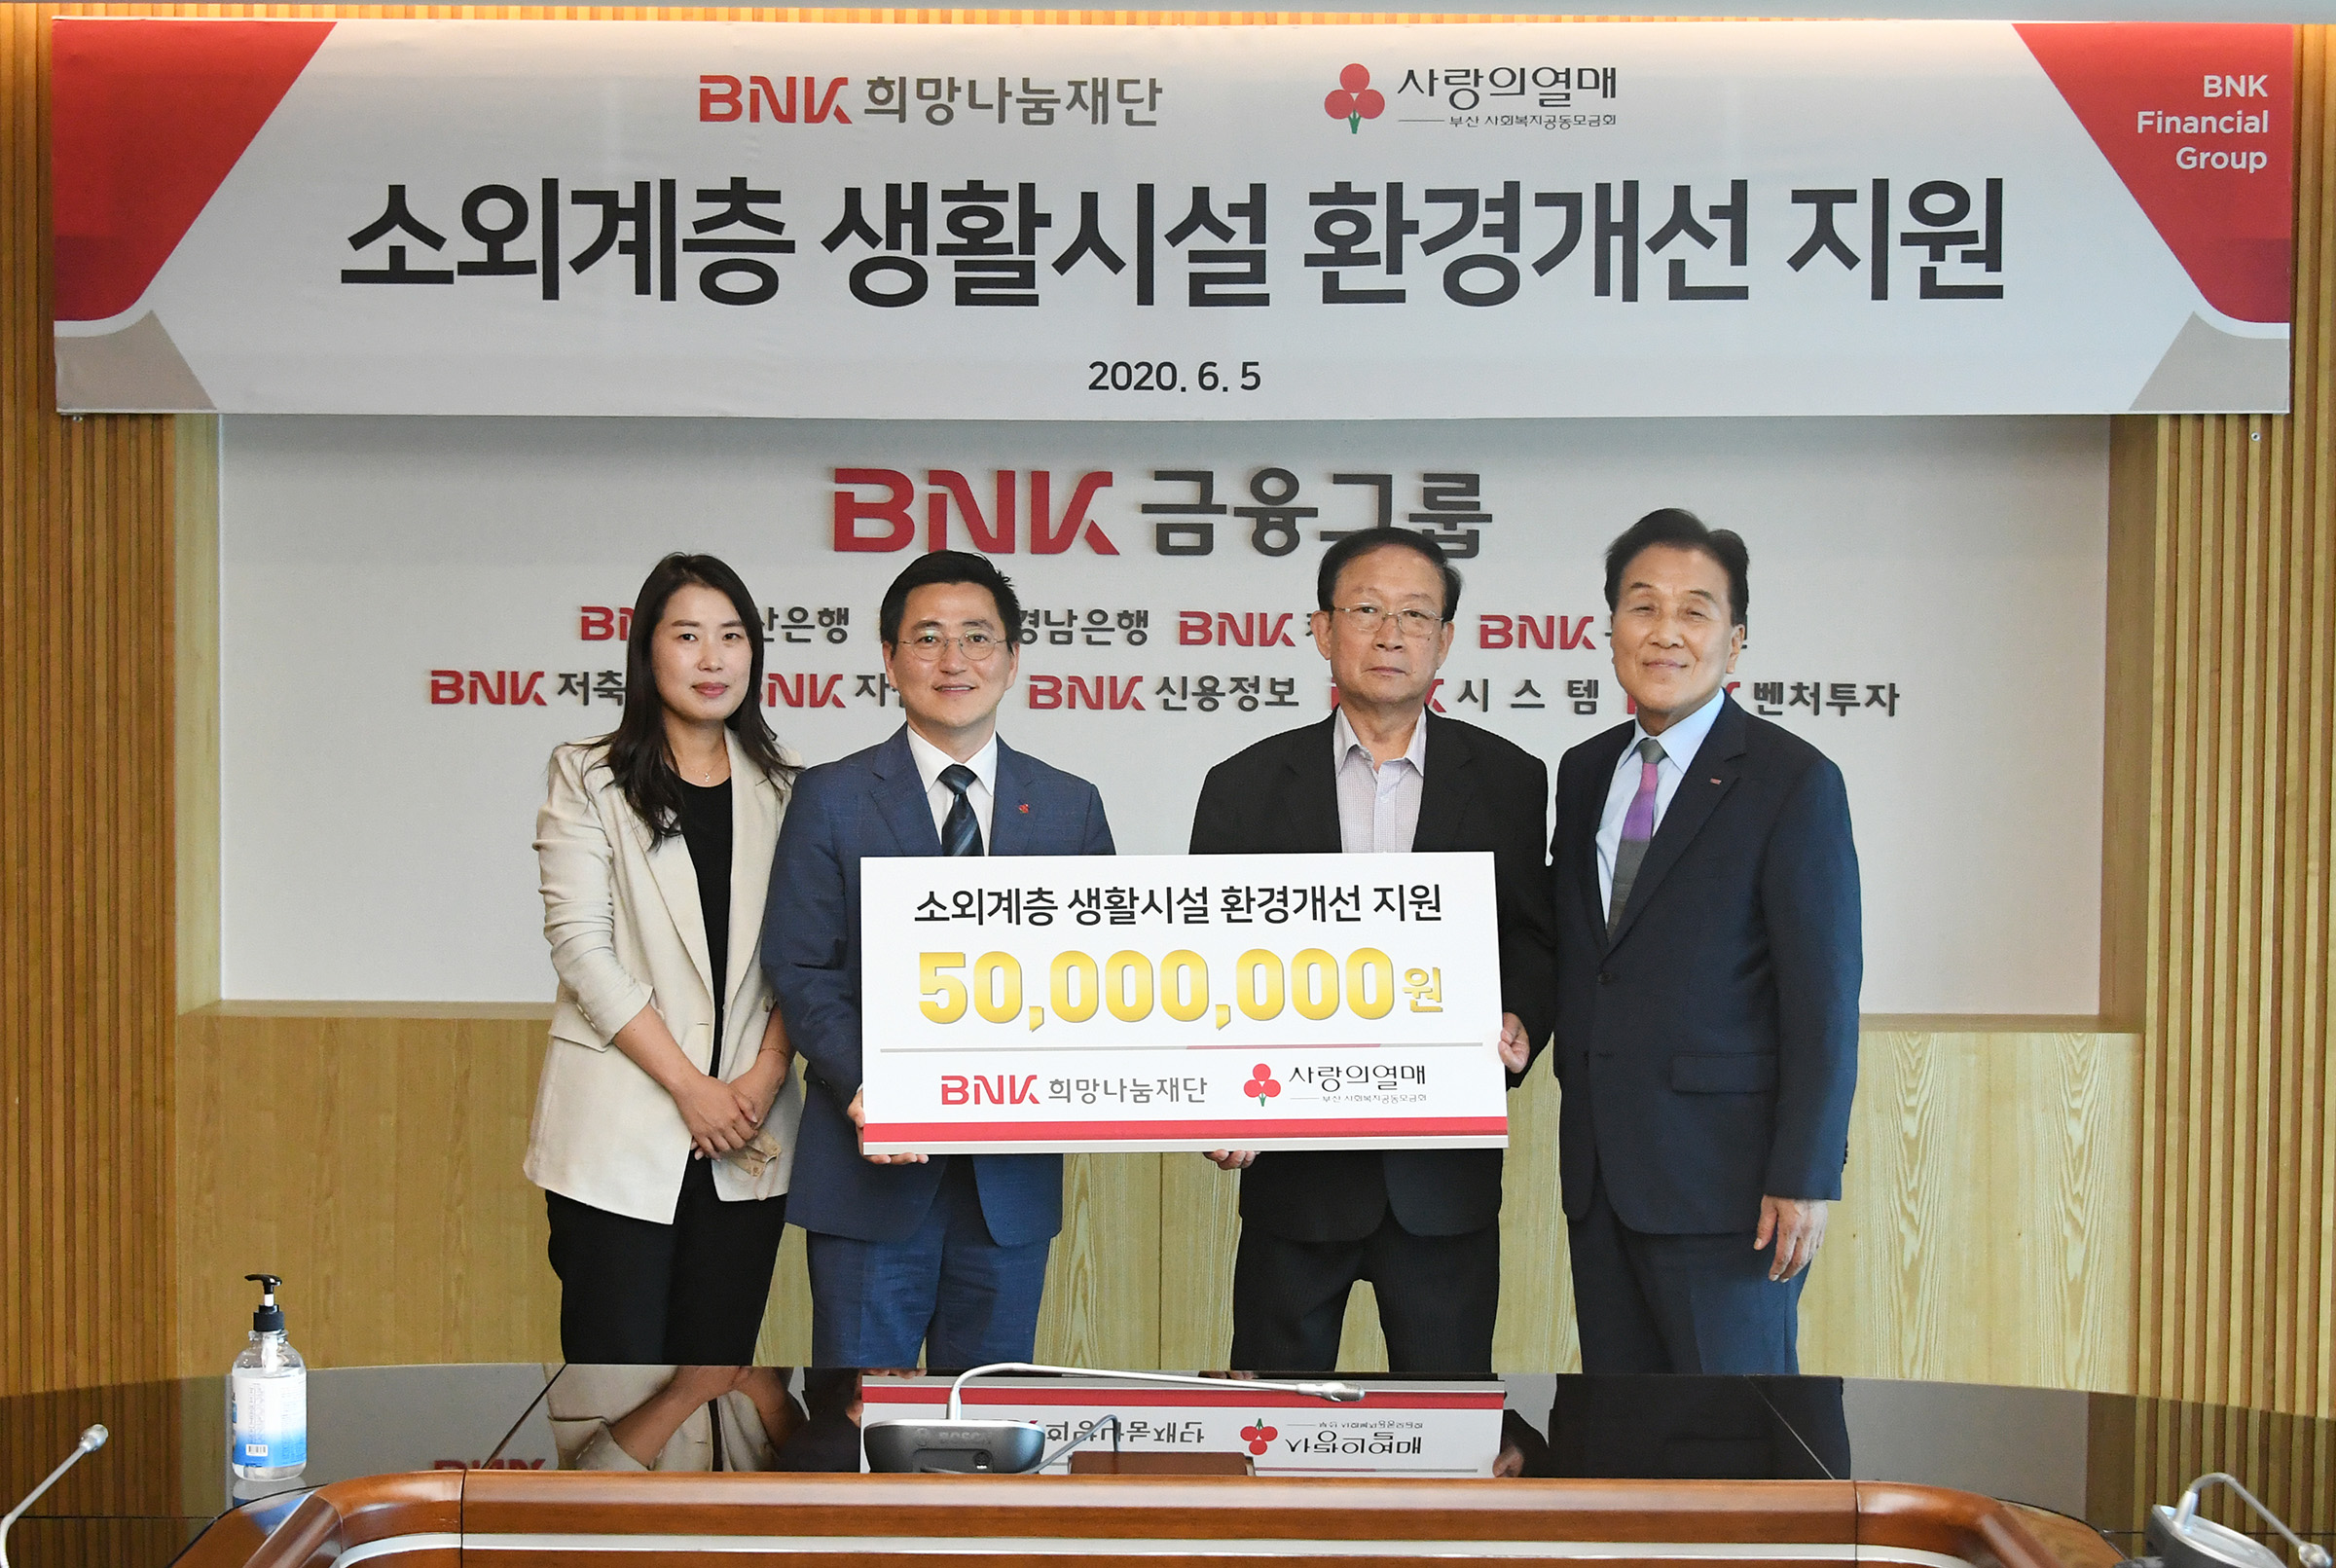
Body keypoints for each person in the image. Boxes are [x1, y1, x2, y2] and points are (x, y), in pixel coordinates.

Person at [1187, 528, 1558, 1374]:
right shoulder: (1244, 785)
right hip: (1295, 1173)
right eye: (1366, 610)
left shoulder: (1510, 778)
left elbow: (1532, 934)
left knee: (1445, 1423)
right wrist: (1217, 1094)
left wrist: (1522, 1015)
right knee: (1273, 1422)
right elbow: (1207, 963)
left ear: (1445, 640)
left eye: (1415, 615)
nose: (1391, 635)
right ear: (1323, 629)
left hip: (1443, 1181)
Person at [764, 550, 1115, 1369]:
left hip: (1008, 1189)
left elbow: (1099, 977)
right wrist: (871, 1086)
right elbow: (803, 968)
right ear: (889, 660)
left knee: (988, 1420)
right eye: (927, 638)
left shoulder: (1069, 806)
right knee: (860, 1418)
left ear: (1013, 658)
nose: (954, 660)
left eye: (977, 637)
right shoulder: (831, 796)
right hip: (869, 1177)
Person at [1548, 508, 1860, 1374]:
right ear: (1611, 627)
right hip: (1602, 1178)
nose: (1666, 632)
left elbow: (1824, 998)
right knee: (1622, 1431)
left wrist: (1804, 1173)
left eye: (1695, 611)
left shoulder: (1793, 780)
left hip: (1731, 1190)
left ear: (1736, 639)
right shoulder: (1584, 771)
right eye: (1643, 606)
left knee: (1733, 1435)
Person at [526, 552, 804, 1364]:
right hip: (618, 1129)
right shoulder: (589, 775)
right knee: (612, 1379)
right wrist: (691, 1088)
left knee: (719, 1377)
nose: (713, 658)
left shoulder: (789, 789)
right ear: (647, 650)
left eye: (732, 636)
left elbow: (808, 952)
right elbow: (581, 947)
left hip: (748, 1134)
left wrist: (764, 1077)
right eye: (688, 635)